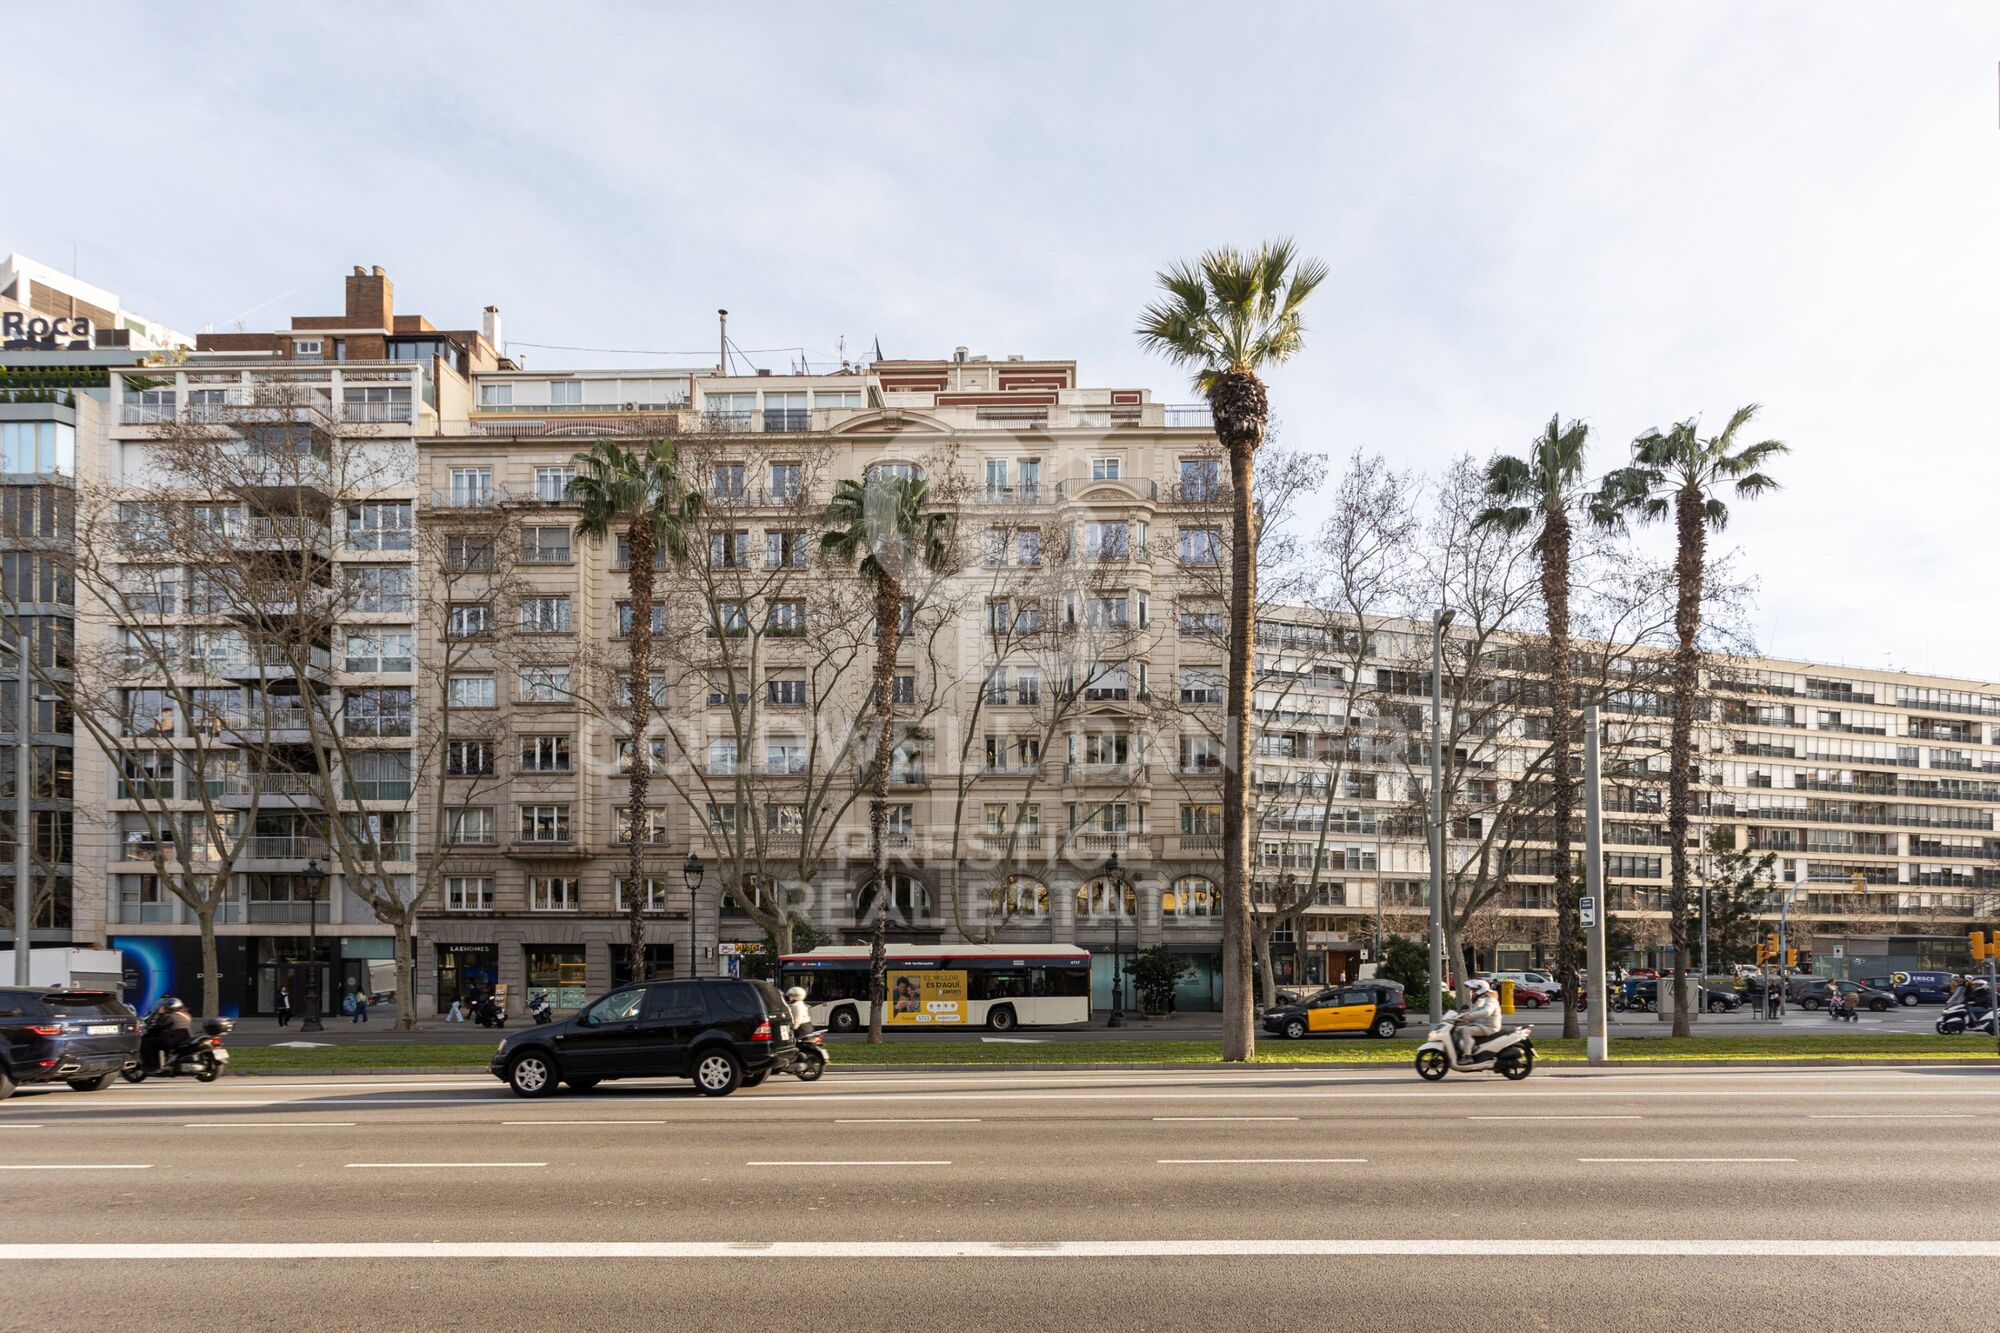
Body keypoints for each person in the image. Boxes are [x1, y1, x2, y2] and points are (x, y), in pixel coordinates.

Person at [140, 996, 195, 1073]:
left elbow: (159, 1025)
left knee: (146, 1043)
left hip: (173, 1039)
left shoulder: (170, 1016)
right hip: (185, 1037)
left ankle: (151, 1066)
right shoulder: (187, 1015)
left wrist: (161, 1014)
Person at [1452, 979, 1502, 1063]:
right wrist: (1459, 1016)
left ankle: (1467, 1056)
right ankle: (1464, 1049)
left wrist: (1470, 1016)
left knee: (1466, 1031)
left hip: (1490, 1027)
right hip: (1482, 1025)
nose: (1472, 992)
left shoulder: (1491, 1000)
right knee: (1457, 1029)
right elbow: (1475, 1010)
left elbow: (1487, 1012)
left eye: (1474, 990)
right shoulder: (1484, 999)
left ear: (1480, 990)